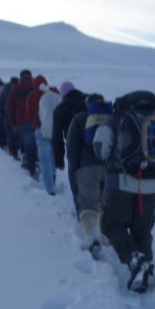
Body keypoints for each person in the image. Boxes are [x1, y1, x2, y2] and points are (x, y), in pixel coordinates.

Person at [92, 90, 155, 292]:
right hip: (151, 185)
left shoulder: (116, 119)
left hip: (120, 183)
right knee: (142, 230)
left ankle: (136, 261)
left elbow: (100, 149)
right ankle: (146, 270)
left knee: (111, 225)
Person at [65, 94, 112, 258]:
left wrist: (74, 168)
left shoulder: (80, 119)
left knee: (87, 204)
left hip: (87, 167)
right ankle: (103, 233)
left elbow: (71, 148)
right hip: (108, 168)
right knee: (103, 202)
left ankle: (92, 238)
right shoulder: (111, 119)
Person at [52, 82, 87, 213]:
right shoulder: (90, 101)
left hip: (74, 149)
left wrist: (59, 160)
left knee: (75, 181)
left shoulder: (60, 109)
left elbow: (57, 138)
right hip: (96, 147)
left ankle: (80, 212)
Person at [27, 78, 61, 195]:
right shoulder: (55, 91)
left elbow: (29, 114)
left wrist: (35, 122)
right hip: (55, 129)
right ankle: (53, 174)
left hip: (40, 130)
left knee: (44, 159)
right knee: (53, 155)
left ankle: (50, 188)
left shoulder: (32, 95)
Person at [7, 70, 34, 167]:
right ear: (31, 76)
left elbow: (10, 109)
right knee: (38, 142)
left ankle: (29, 163)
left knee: (27, 143)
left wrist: (14, 124)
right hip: (38, 120)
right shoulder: (36, 87)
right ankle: (37, 161)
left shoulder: (15, 90)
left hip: (22, 121)